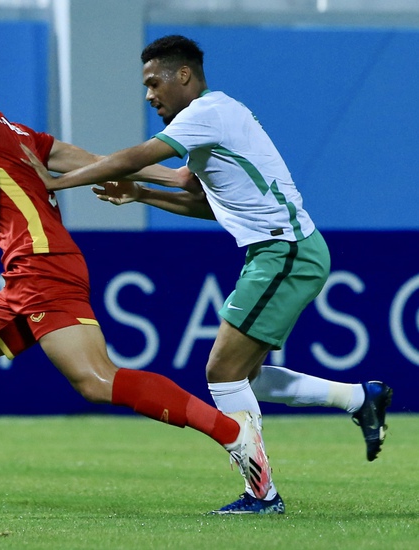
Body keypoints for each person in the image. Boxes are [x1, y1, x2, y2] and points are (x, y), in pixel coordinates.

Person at [0, 48, 271, 514]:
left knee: (97, 379)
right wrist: (172, 176)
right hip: (33, 271)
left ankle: (234, 432)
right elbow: (81, 157)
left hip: (41, 265)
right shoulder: (12, 128)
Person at [21, 35, 392, 515]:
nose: (149, 95)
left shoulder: (207, 112)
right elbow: (196, 196)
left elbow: (139, 156)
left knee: (222, 372)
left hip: (285, 251)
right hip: (283, 252)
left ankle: (262, 494)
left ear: (184, 76)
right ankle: (360, 398)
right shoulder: (208, 125)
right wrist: (139, 195)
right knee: (245, 378)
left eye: (154, 83)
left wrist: (61, 180)